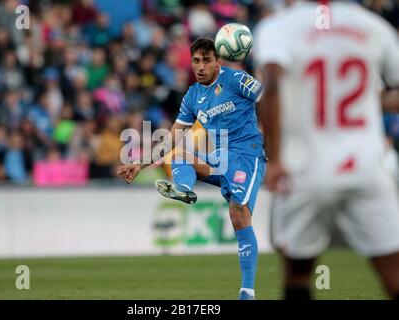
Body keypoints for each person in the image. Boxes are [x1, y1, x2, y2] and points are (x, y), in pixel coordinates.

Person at [253, 0, 399, 299]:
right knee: (394, 276)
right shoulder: (373, 26)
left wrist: (276, 159)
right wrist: (369, 104)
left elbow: (272, 86)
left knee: (297, 276)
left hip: (304, 169)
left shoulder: (278, 27)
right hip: (366, 167)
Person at [117, 38, 266, 300]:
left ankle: (247, 292)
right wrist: (139, 164)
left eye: (206, 60)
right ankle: (183, 189)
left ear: (218, 61)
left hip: (247, 155)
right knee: (178, 152)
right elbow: (172, 137)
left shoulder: (236, 80)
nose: (200, 66)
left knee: (238, 212)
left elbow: (267, 96)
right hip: (220, 158)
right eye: (196, 61)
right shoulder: (193, 96)